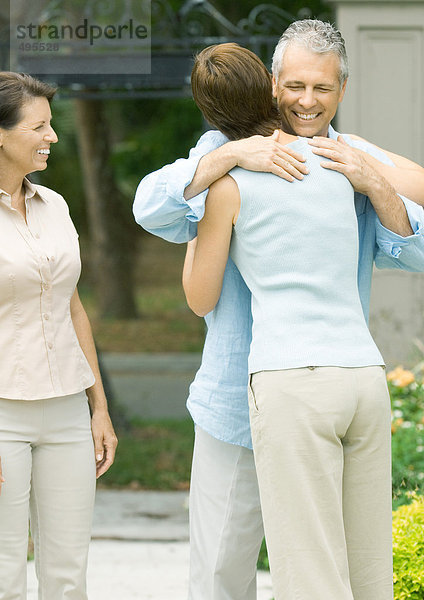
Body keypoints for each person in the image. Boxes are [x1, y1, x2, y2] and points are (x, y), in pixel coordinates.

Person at [133, 22, 424, 600]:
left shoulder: (351, 159)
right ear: (271, 84)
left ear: (342, 89)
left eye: (320, 88)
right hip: (234, 400)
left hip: (314, 383)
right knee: (222, 576)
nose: (306, 101)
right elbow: (151, 206)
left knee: (335, 567)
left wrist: (375, 183)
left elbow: (416, 245)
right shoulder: (221, 151)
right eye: (293, 86)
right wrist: (233, 156)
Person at [184, 44, 391, 598]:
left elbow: (200, 297)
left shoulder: (226, 185)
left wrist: (195, 223)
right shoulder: (338, 164)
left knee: (308, 572)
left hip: (292, 379)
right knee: (368, 566)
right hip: (364, 376)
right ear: (271, 87)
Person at [0, 72, 118, 600]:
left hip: (69, 409)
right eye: (40, 127)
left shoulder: (57, 206)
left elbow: (72, 307)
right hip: (3, 414)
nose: (52, 137)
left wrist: (99, 408)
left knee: (68, 572)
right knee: (4, 569)